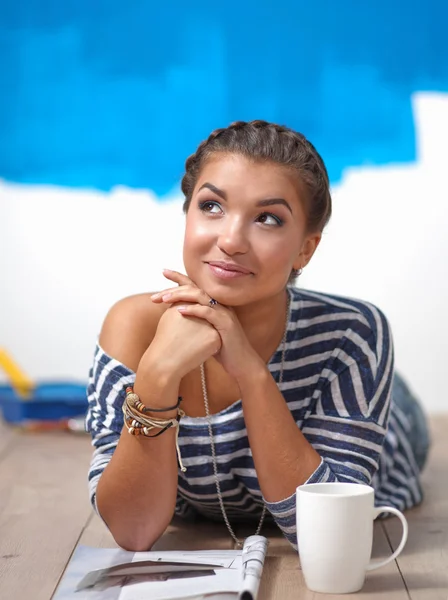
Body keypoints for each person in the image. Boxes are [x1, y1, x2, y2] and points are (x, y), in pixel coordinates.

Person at [85, 120, 430, 552]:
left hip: (383, 424)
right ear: (187, 213)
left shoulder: (355, 332)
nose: (230, 240)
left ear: (305, 248)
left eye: (267, 218)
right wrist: (157, 374)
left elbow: (328, 533)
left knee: (388, 406)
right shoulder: (133, 328)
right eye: (211, 206)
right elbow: (133, 530)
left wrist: (250, 370)